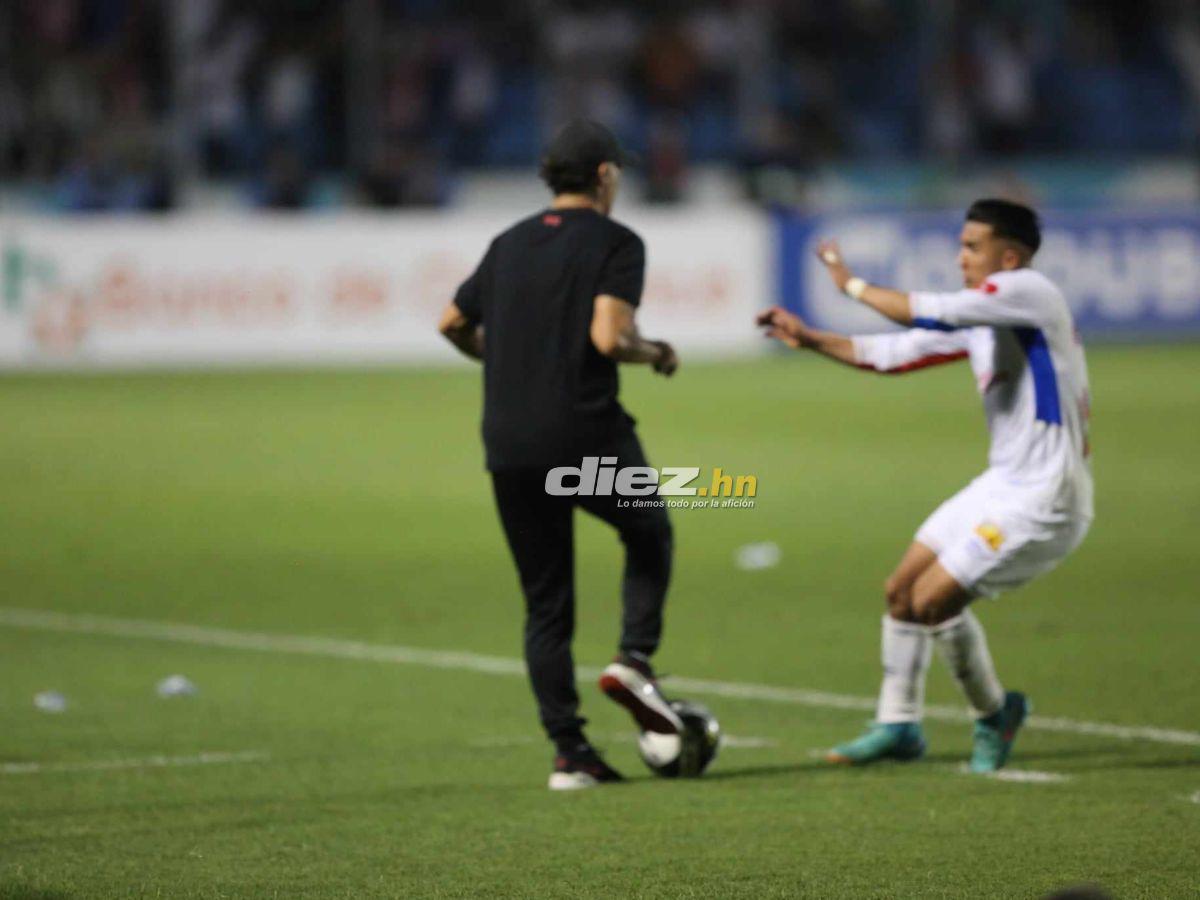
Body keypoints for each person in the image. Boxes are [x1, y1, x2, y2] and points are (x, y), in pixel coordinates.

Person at [758, 199, 1093, 771]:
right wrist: (811, 338)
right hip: (1003, 482)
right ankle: (898, 725)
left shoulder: (1030, 292)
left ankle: (995, 714)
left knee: (934, 599)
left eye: (971, 246)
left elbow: (924, 313)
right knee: (902, 591)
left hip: (1046, 495)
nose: (960, 256)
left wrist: (851, 285)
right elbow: (891, 354)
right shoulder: (984, 317)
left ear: (1008, 257)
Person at [438, 120, 684, 790]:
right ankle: (634, 656)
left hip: (509, 443)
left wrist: (502, 358)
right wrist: (656, 351)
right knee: (650, 529)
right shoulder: (616, 242)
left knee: (546, 604)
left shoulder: (507, 242)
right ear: (605, 176)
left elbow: (451, 322)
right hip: (583, 436)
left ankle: (570, 754)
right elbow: (610, 337)